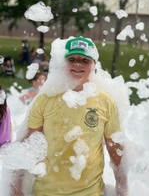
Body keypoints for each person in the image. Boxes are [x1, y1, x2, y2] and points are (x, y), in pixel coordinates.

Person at [15, 37, 127, 196]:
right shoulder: (46, 98)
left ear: (94, 63)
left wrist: (123, 189)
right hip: (45, 192)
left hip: (90, 193)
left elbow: (116, 151)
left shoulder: (105, 102)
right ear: (63, 63)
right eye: (72, 59)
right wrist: (16, 188)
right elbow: (27, 145)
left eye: (85, 60)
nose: (78, 64)